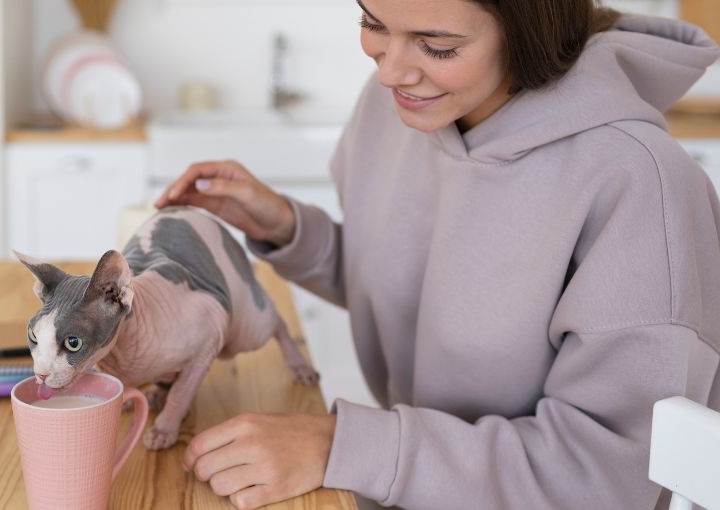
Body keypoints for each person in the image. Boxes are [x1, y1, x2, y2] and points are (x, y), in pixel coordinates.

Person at [152, 0, 720, 509]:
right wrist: (293, 230)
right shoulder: (407, 105)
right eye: (372, 23)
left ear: (529, 28)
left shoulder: (641, 184)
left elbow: (607, 477)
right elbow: (423, 293)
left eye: (438, 45)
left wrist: (345, 446)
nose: (391, 70)